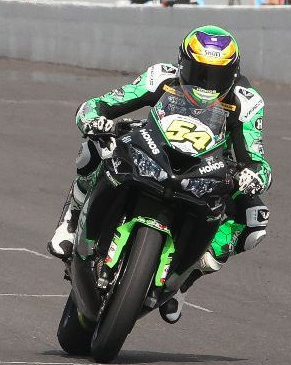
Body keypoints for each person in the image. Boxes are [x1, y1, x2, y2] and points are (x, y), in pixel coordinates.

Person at [47, 25, 271, 323]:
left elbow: (256, 158)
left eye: (215, 76)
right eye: (198, 72)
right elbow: (101, 104)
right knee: (95, 147)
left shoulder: (247, 102)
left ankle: (186, 279)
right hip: (154, 147)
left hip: (208, 169)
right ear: (182, 64)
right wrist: (93, 120)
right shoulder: (160, 77)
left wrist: (253, 175)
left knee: (254, 218)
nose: (205, 84)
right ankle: (72, 219)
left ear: (233, 73)